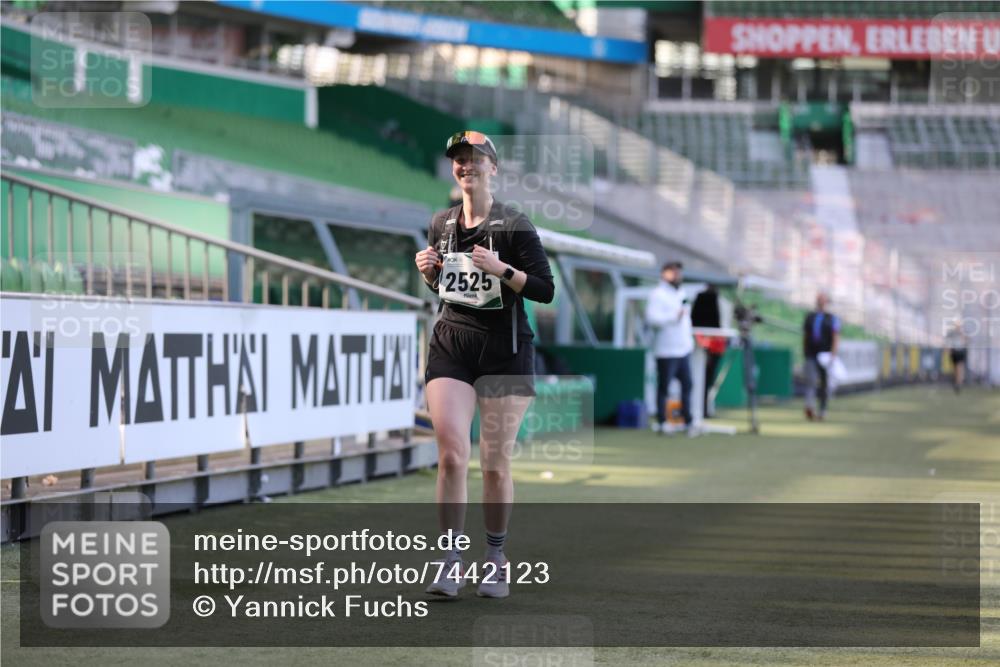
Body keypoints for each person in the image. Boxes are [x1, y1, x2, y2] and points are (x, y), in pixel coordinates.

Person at [413, 130, 554, 599]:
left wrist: (502, 270)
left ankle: (495, 558)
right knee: (452, 455)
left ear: (493, 167)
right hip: (452, 344)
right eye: (459, 159)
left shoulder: (515, 224)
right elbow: (446, 289)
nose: (466, 165)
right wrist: (430, 275)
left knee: (494, 463)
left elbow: (544, 289)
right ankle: (450, 559)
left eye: (475, 158)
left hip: (504, 351)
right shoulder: (440, 223)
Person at [646, 261, 696, 436]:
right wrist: (673, 316)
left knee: (688, 385)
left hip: (684, 349)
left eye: (679, 272)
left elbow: (686, 321)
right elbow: (652, 319)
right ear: (664, 273)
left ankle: (688, 421)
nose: (677, 276)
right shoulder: (657, 294)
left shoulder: (681, 292)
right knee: (664, 387)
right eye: (673, 272)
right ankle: (662, 422)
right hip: (666, 351)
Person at [802, 292, 840, 421]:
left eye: (823, 300)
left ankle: (822, 410)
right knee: (811, 381)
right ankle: (810, 406)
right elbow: (805, 335)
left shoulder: (832, 318)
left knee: (824, 383)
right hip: (811, 354)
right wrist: (805, 352)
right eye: (819, 300)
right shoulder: (810, 317)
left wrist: (833, 354)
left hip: (825, 355)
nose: (821, 302)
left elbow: (835, 337)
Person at [691, 283, 724, 418]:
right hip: (706, 345)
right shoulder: (706, 299)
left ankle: (704, 408)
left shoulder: (718, 301)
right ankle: (700, 409)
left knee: (707, 380)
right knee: (703, 379)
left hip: (714, 346)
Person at [945, 321, 968, 394]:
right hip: (954, 352)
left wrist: (962, 335)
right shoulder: (951, 333)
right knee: (956, 369)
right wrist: (948, 349)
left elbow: (965, 341)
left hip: (960, 352)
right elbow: (948, 342)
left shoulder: (963, 333)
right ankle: (957, 383)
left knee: (959, 368)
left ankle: (958, 384)